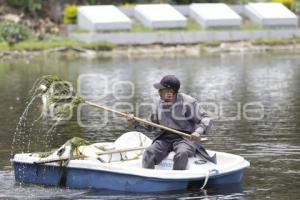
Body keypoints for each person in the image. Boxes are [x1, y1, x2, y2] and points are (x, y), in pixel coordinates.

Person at [126, 75, 216, 170]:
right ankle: (148, 180)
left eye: (161, 89)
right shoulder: (159, 103)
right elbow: (150, 125)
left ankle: (178, 181)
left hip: (185, 138)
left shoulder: (188, 102)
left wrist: (198, 132)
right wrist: (135, 121)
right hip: (165, 137)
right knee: (149, 152)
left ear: (171, 91)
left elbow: (206, 118)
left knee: (182, 153)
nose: (159, 92)